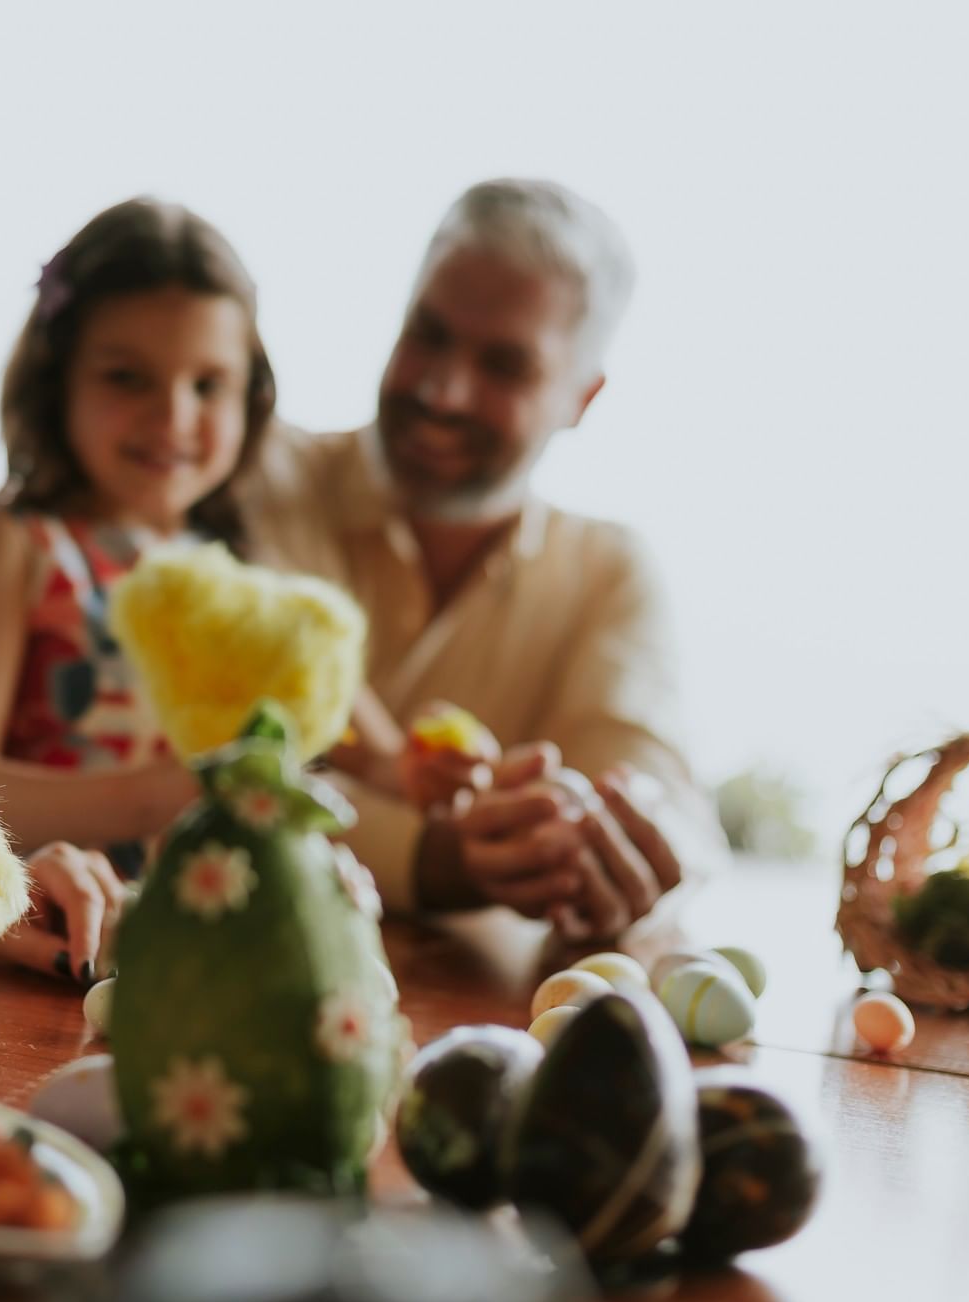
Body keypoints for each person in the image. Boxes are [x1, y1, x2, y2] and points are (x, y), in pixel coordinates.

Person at [243, 179, 723, 942]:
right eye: (427, 334)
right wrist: (434, 857)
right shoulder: (254, 475)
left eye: (503, 365)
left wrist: (629, 850)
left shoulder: (609, 572)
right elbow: (207, 766)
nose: (442, 390)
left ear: (581, 398)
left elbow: (660, 800)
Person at [0, 199, 276, 870]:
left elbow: (351, 725)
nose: (174, 416)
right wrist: (151, 798)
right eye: (127, 377)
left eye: (209, 384)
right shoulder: (11, 545)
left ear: (250, 397)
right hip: (38, 931)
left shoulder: (237, 568)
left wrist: (412, 768)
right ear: (57, 381)